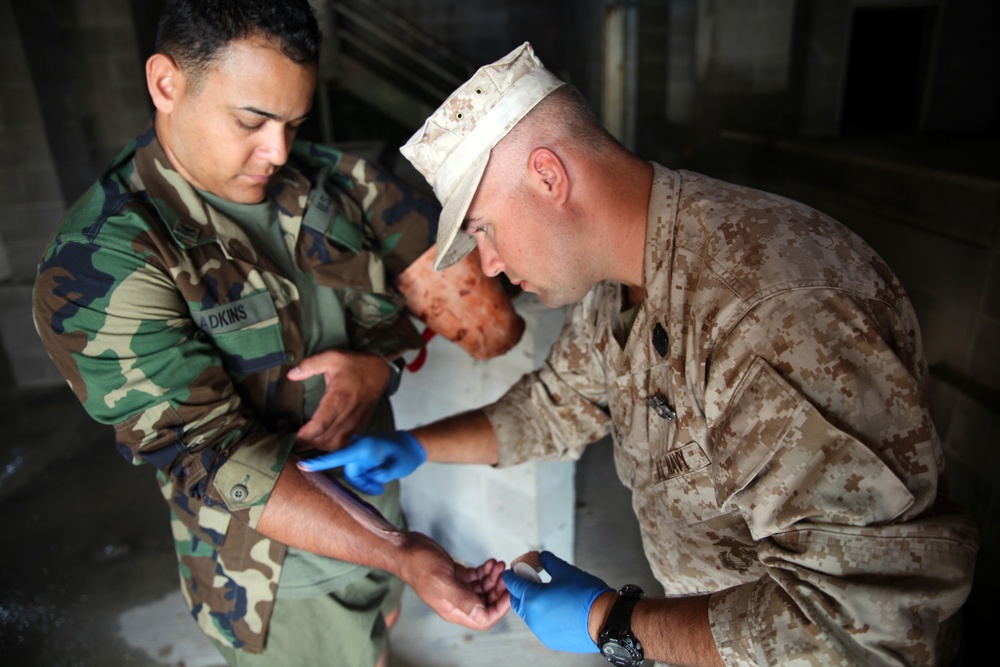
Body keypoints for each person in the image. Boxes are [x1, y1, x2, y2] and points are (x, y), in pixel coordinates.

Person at [298, 42, 980, 666]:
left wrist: (612, 621)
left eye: (484, 228)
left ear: (547, 176)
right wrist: (416, 447)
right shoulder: (617, 280)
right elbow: (557, 404)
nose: (495, 265)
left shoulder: (769, 309)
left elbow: (865, 624)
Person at [32, 2, 509, 665]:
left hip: (382, 523)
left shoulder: (325, 182)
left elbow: (432, 316)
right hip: (278, 582)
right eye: (251, 121)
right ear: (167, 84)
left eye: (292, 123)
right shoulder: (104, 260)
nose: (277, 151)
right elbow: (212, 452)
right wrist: (401, 554)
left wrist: (379, 368)